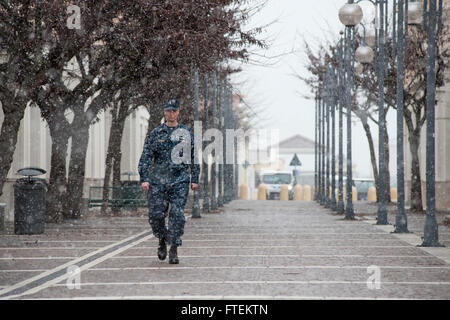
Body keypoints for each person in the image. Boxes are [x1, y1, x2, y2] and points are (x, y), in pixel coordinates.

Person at [138, 99, 199, 264]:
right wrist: (144, 177)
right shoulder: (156, 133)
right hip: (158, 180)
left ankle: (174, 248)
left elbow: (193, 156)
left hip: (179, 179)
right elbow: (146, 156)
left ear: (178, 112)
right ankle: (162, 239)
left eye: (174, 110)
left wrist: (195, 177)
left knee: (177, 214)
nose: (171, 113)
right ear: (164, 112)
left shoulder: (186, 133)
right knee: (156, 215)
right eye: (168, 111)